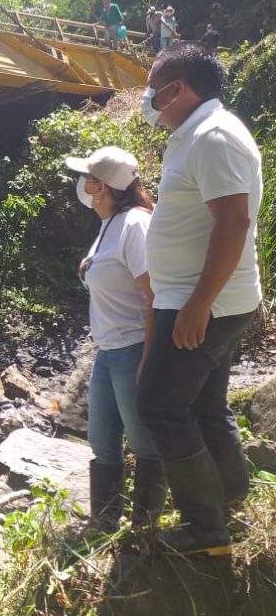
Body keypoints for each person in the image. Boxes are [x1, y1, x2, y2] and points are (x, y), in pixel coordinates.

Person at [136, 43, 263, 556]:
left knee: (160, 406)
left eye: (152, 88)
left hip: (203, 303)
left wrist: (196, 305)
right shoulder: (196, 135)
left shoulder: (213, 137)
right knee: (205, 403)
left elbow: (233, 222)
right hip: (198, 298)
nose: (147, 98)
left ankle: (207, 530)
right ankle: (231, 498)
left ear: (178, 89)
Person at [65, 147, 167, 531]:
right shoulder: (110, 223)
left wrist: (150, 357)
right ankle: (104, 523)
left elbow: (155, 294)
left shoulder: (134, 225)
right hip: (107, 351)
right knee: (102, 441)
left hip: (132, 348)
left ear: (100, 185)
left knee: (143, 442)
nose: (82, 185)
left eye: (87, 178)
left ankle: (144, 529)